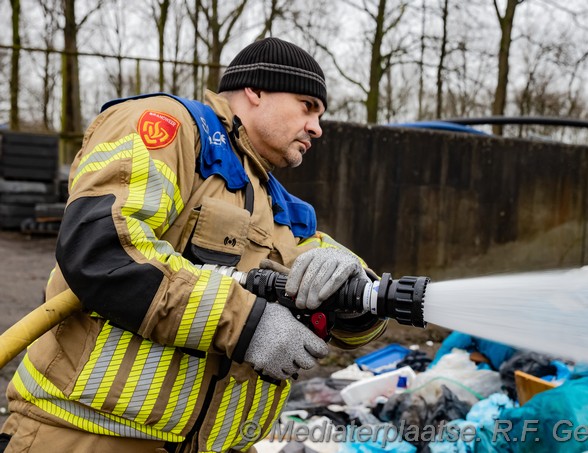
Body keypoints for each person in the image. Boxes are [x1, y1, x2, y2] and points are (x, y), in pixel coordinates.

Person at [1, 37, 387, 452]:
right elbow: (101, 250)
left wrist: (357, 298)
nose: (317, 127)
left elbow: (353, 321)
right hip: (85, 436)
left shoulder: (282, 208)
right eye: (307, 106)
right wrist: (246, 324)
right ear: (255, 90)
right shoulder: (169, 127)